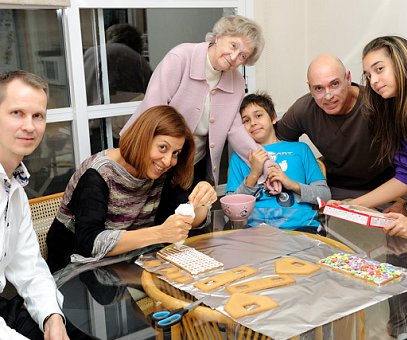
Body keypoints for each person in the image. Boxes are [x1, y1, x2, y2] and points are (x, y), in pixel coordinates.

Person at [120, 15, 280, 224]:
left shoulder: (237, 82)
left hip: (189, 164)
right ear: (219, 35)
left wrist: (267, 166)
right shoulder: (181, 58)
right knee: (136, 220)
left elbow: (236, 131)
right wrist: (153, 156)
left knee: (180, 224)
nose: (234, 57)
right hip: (150, 154)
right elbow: (153, 109)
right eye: (233, 45)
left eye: (243, 56)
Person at [46, 105, 217, 273]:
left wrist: (200, 203)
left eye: (175, 153)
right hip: (78, 270)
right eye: (163, 147)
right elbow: (89, 243)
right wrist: (159, 234)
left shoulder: (162, 171)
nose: (167, 161)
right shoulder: (98, 174)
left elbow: (180, 219)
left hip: (131, 262)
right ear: (143, 139)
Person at [0, 70, 68, 339]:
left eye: (37, 115)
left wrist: (53, 317)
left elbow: (29, 267)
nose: (29, 126)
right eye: (17, 113)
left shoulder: (14, 187)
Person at [275, 54, 394, 200]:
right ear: (310, 89)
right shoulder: (304, 109)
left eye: (335, 84)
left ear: (348, 78)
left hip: (384, 189)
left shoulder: (378, 103)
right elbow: (275, 144)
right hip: (333, 189)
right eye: (318, 88)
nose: (328, 96)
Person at [344, 36, 407, 240]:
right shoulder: (401, 108)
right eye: (368, 75)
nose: (374, 81)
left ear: (401, 60)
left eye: (379, 69)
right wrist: (353, 205)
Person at [226, 92, 331, 233]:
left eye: (258, 115)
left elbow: (324, 195)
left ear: (273, 118)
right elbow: (230, 210)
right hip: (256, 232)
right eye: (246, 120)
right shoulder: (239, 158)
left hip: (303, 228)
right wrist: (254, 174)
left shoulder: (300, 150)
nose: (253, 123)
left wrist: (290, 184)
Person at [84, 23, 153, 151]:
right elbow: (151, 92)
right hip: (119, 128)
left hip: (92, 123)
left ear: (111, 36)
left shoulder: (91, 52)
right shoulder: (133, 58)